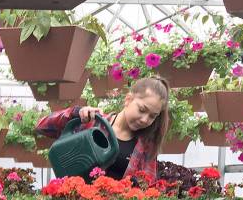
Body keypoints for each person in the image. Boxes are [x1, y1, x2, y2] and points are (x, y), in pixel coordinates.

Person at [36, 76, 170, 181]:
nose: (145, 119)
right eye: (142, 110)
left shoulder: (146, 146)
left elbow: (147, 188)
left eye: (152, 116)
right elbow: (42, 126)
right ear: (128, 99)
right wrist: (74, 113)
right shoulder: (92, 123)